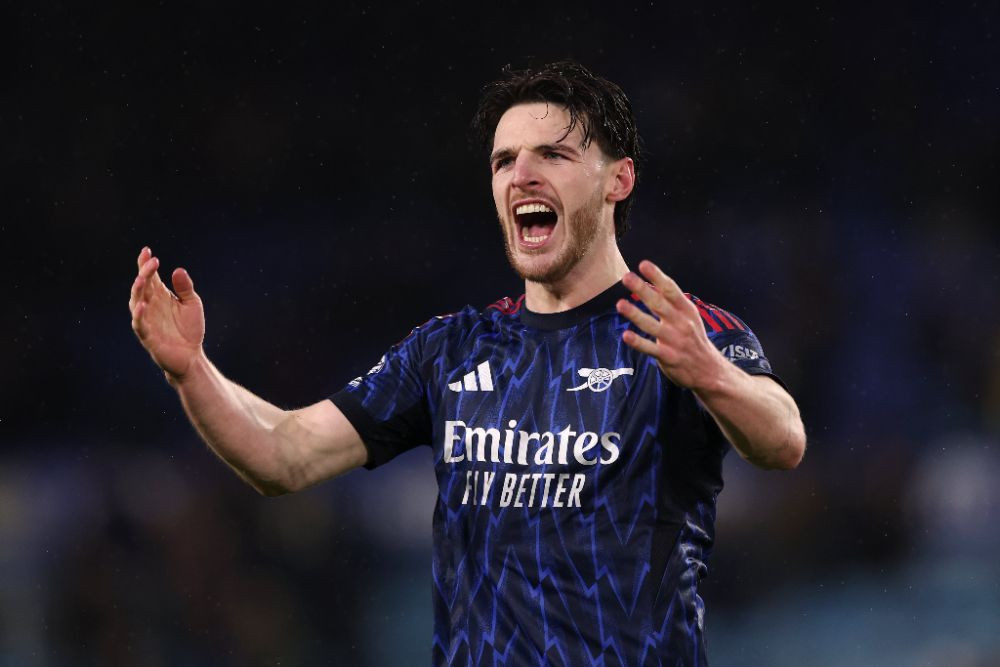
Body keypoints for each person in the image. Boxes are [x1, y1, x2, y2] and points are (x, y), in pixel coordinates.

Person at [129, 61, 805, 666]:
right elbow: (283, 455)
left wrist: (711, 374)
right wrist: (192, 371)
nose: (522, 175)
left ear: (618, 179)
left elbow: (784, 440)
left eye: (553, 154)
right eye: (504, 160)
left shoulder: (679, 330)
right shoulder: (450, 349)